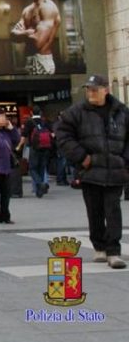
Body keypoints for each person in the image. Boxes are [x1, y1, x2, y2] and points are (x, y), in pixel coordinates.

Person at [56, 74, 129, 269]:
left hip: (115, 170)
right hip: (90, 170)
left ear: (106, 90)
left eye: (94, 89)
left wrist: (125, 162)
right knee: (94, 210)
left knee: (113, 210)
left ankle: (113, 251)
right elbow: (62, 135)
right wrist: (82, 157)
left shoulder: (122, 112)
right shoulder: (77, 112)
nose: (91, 93)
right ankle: (99, 246)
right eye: (88, 89)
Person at [11, 0, 61, 75]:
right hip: (28, 61)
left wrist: (21, 33)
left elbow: (37, 43)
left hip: (43, 61)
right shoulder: (27, 10)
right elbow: (12, 35)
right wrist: (27, 33)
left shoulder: (48, 8)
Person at [19, 105, 53, 198]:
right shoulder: (45, 121)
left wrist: (19, 146)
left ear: (31, 113)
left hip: (34, 148)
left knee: (32, 168)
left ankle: (39, 183)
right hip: (45, 148)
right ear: (40, 112)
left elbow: (24, 136)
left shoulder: (29, 122)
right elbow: (52, 134)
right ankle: (39, 192)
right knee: (41, 168)